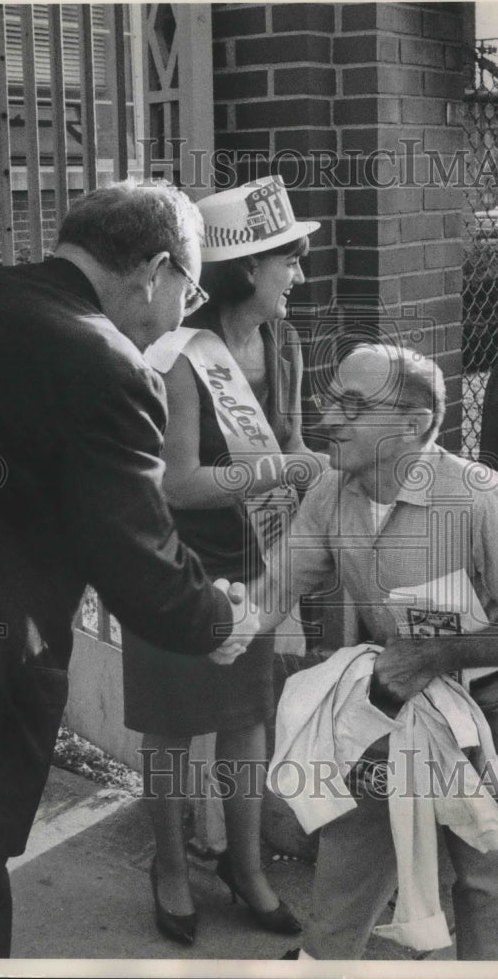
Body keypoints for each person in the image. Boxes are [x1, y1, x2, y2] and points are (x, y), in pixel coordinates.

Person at [0, 180, 260, 959]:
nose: (181, 316)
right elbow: (138, 566)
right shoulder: (110, 366)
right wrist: (221, 619)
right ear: (156, 269)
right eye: (186, 295)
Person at [256, 342, 498, 961]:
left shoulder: (482, 500)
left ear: (415, 424)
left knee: (492, 882)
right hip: (390, 698)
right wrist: (231, 623)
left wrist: (435, 656)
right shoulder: (332, 489)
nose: (329, 417)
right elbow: (278, 585)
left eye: (353, 405)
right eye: (331, 399)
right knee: (350, 851)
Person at [121, 176, 325, 945]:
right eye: (288, 261)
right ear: (247, 266)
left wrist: (321, 474)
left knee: (245, 723)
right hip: (174, 565)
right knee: (174, 731)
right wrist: (281, 472)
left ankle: (246, 868)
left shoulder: (286, 340)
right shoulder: (179, 357)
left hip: (255, 559)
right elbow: (176, 484)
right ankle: (170, 869)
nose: (298, 275)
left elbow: (295, 447)